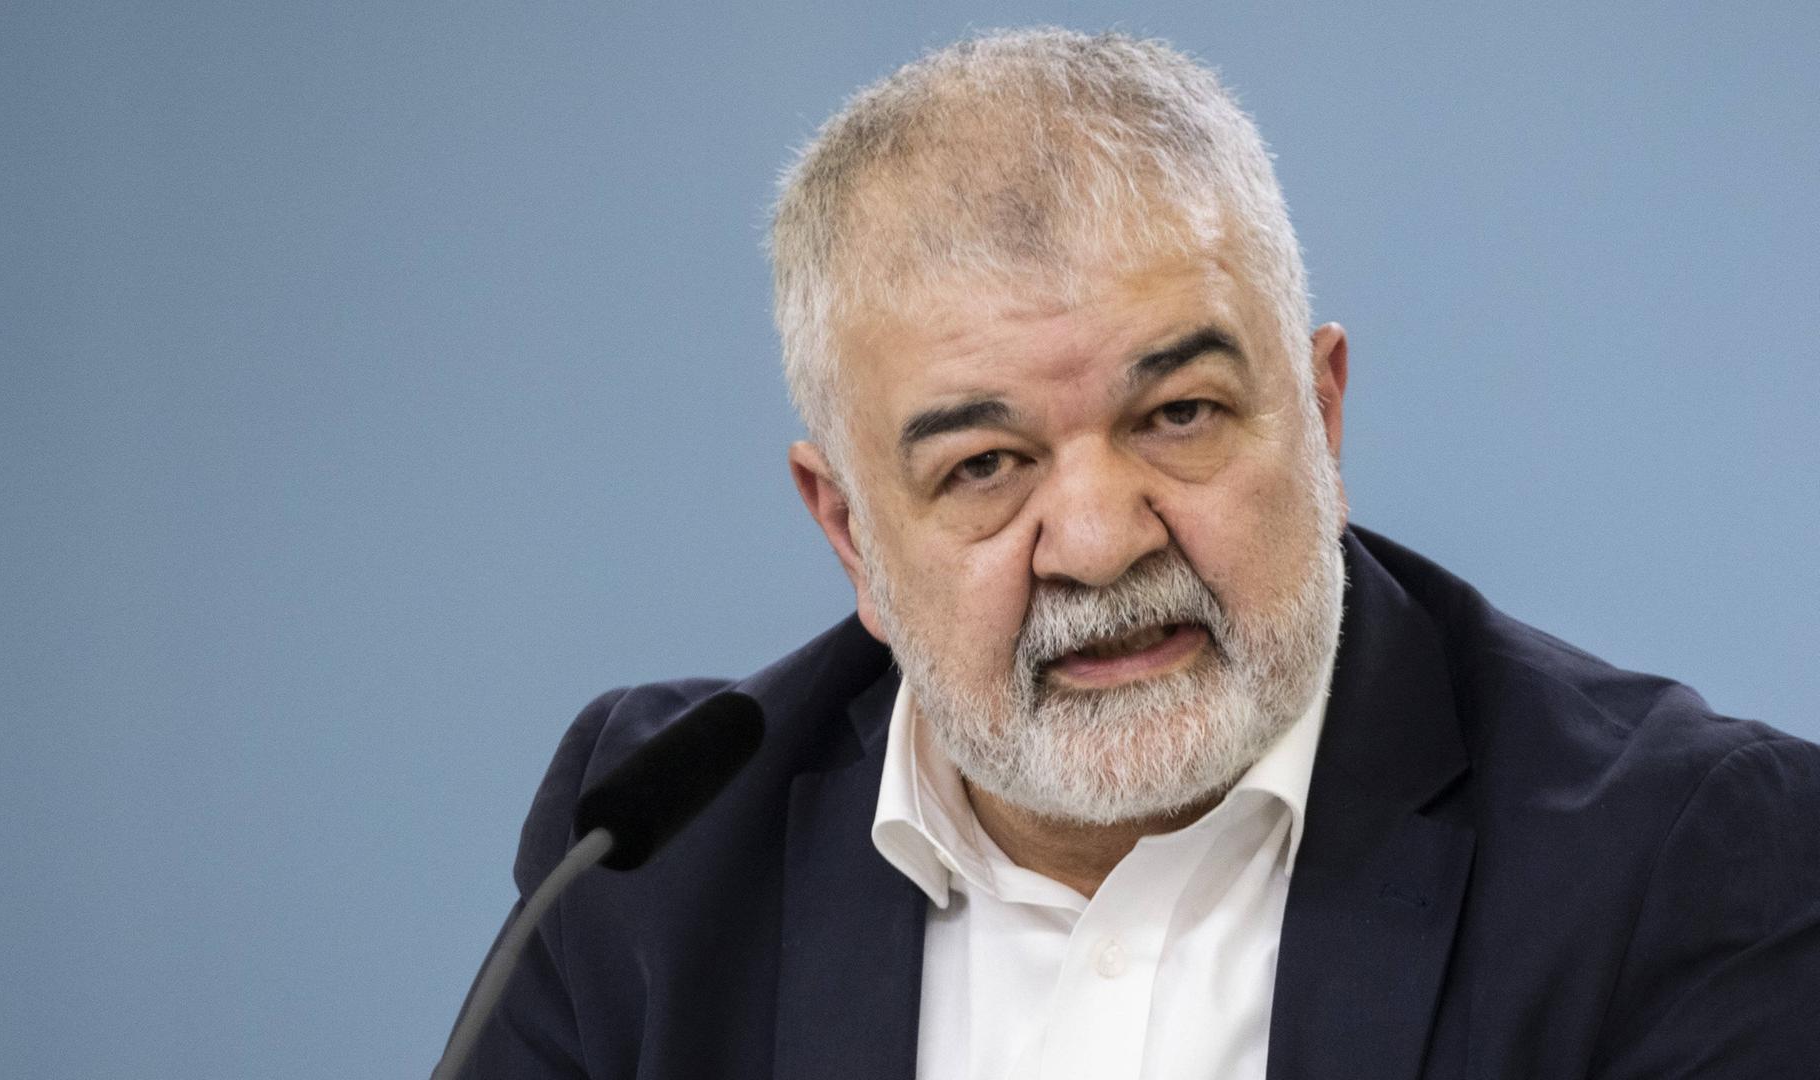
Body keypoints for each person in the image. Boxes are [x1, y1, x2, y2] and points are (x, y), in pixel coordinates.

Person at [448, 27, 1820, 1079]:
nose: (1102, 546)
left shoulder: (1685, 858)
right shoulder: (648, 862)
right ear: (851, 531)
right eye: (984, 466)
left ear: (1321, 416)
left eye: (1180, 416)